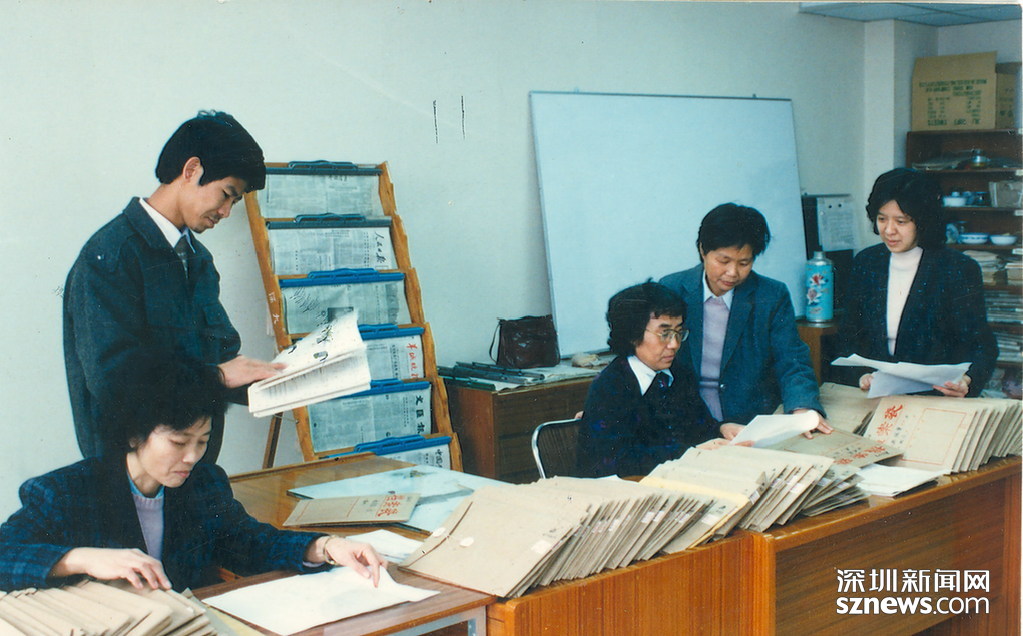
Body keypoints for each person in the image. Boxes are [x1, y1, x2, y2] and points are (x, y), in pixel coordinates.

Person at [0, 362, 382, 593]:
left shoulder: (203, 483)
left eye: (203, 441)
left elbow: (248, 543)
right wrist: (80, 559)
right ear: (134, 434)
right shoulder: (67, 492)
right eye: (179, 441)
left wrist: (325, 547)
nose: (192, 457)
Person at [63, 110, 282, 460]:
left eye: (235, 201)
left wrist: (281, 380)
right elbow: (115, 381)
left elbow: (220, 356)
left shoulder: (199, 260)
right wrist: (218, 376)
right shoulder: (110, 255)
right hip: (129, 473)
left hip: (195, 466)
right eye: (226, 194)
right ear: (191, 169)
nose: (227, 212)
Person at [659, 204, 831, 432]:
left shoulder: (771, 295)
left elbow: (791, 359)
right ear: (703, 250)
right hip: (688, 419)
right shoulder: (671, 288)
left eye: (744, 263)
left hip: (750, 421)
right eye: (723, 261)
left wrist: (802, 407)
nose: (732, 272)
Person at [841, 168, 997, 398]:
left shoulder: (958, 269)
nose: (889, 230)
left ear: (923, 221)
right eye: (882, 219)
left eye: (901, 221)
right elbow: (849, 335)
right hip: (877, 394)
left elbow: (982, 345)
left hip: (936, 395)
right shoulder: (866, 262)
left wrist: (967, 380)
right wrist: (861, 375)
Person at [576, 282, 743, 478]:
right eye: (664, 334)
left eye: (678, 332)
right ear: (633, 334)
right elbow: (612, 462)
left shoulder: (678, 373)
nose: (674, 344)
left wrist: (722, 429)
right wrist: (688, 454)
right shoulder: (611, 386)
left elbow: (700, 428)